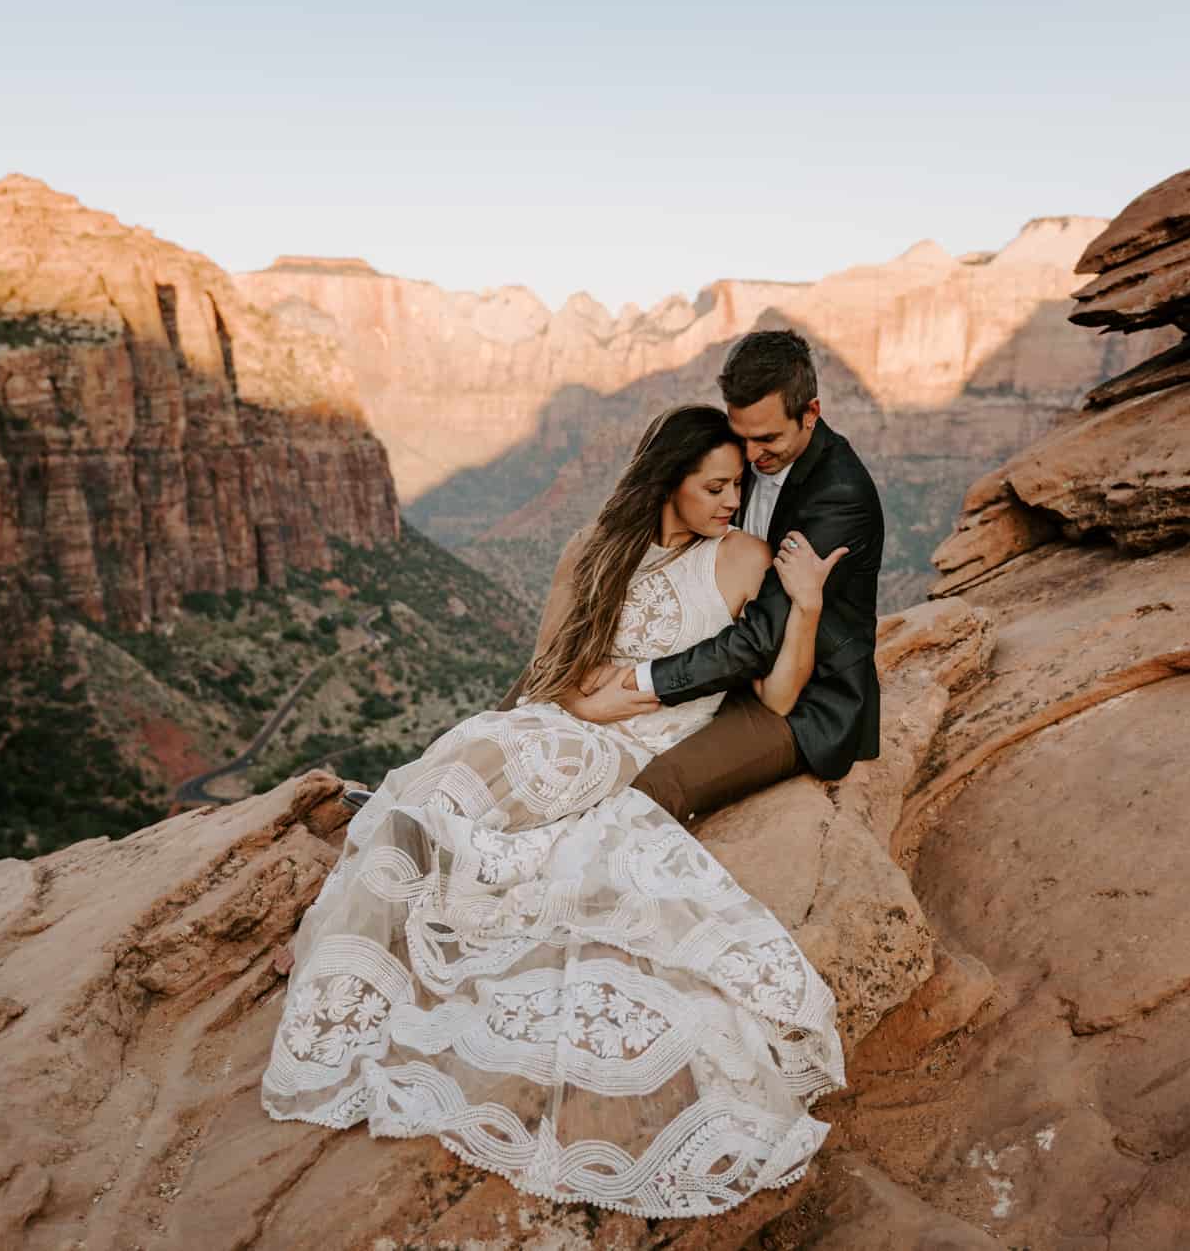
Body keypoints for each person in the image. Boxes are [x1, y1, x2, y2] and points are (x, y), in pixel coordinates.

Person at [263, 404, 849, 1219]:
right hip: (560, 722)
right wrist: (589, 702)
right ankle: (347, 947)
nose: (731, 498)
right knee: (448, 771)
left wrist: (808, 604)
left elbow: (780, 693)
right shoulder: (596, 550)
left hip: (624, 748)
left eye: (739, 484)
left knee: (461, 798)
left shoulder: (744, 558)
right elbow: (557, 678)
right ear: (668, 482)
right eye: (714, 484)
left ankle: (370, 942)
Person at [563, 329, 884, 826]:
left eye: (768, 438)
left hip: (799, 700)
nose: (752, 456)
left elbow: (760, 641)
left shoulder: (839, 497)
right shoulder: (748, 453)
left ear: (811, 413)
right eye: (743, 436)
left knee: (650, 791)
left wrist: (635, 679)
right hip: (725, 675)